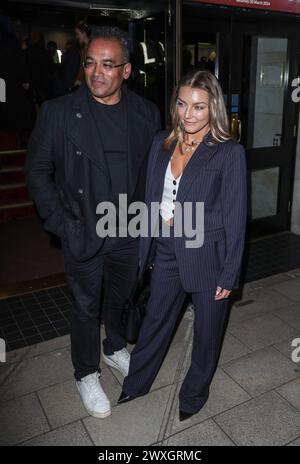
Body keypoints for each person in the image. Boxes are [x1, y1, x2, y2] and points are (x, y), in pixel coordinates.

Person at [25, 26, 161, 419]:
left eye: (108, 65)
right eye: (90, 63)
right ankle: (85, 373)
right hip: (83, 229)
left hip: (129, 231)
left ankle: (115, 345)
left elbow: (153, 171)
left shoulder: (145, 113)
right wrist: (62, 223)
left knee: (119, 298)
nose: (96, 73)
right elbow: (37, 171)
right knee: (86, 307)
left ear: (127, 70)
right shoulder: (58, 113)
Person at [118, 70, 247, 421]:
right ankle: (136, 382)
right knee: (155, 320)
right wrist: (148, 246)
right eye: (182, 104)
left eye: (199, 107)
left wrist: (230, 271)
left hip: (208, 256)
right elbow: (150, 200)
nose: (188, 114)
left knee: (206, 334)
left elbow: (236, 218)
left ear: (213, 109)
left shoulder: (228, 153)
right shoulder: (162, 142)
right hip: (166, 249)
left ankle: (194, 394)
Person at [74, 21, 91, 88]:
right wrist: (78, 80)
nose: (76, 37)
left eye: (78, 34)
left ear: (84, 33)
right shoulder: (83, 48)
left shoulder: (93, 47)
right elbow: (83, 65)